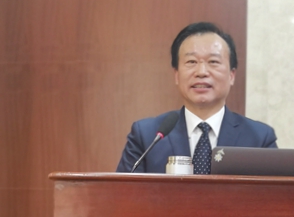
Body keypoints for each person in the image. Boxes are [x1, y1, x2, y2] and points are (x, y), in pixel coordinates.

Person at [116, 22, 277, 173]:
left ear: (232, 75)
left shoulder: (259, 139)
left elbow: (275, 193)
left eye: (213, 61)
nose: (201, 72)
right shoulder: (147, 136)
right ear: (176, 74)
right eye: (191, 61)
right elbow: (122, 192)